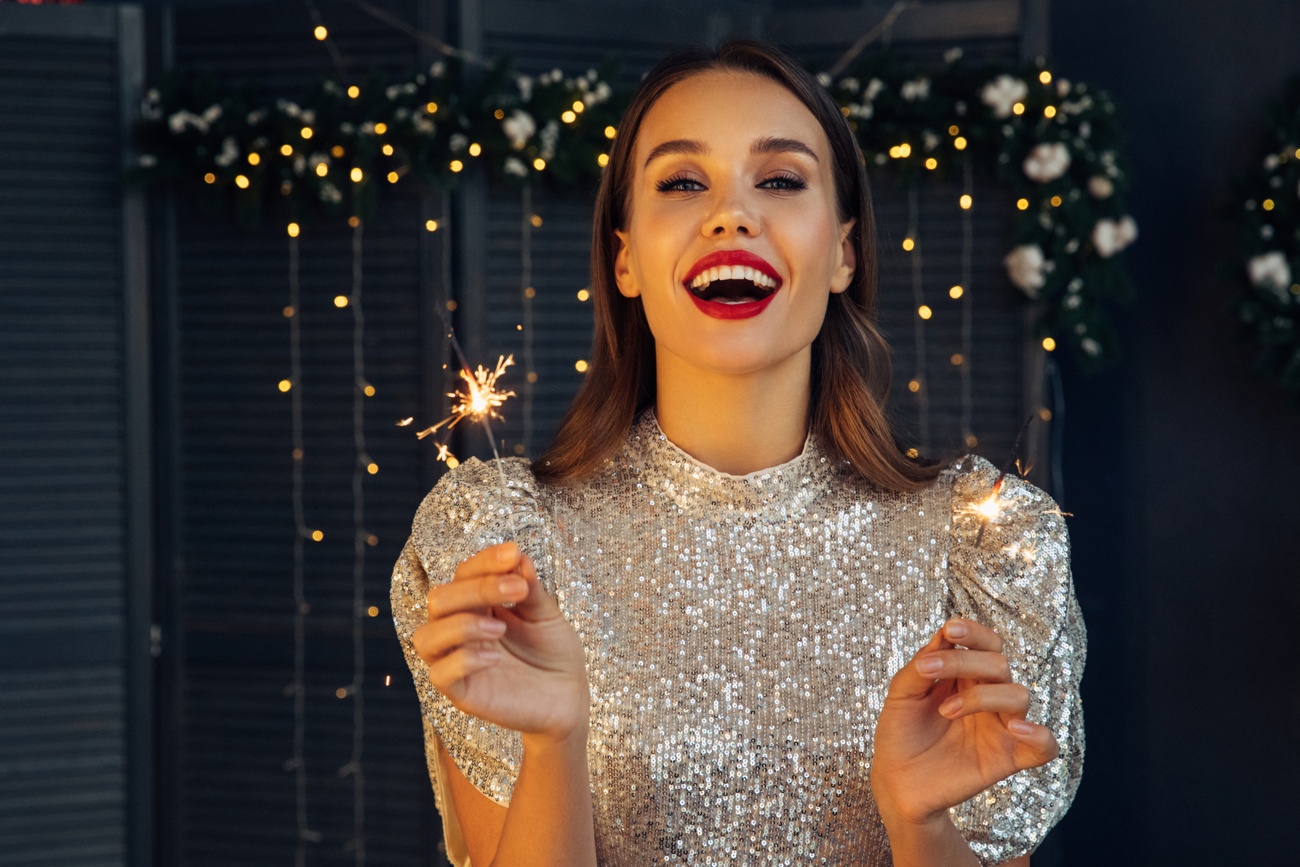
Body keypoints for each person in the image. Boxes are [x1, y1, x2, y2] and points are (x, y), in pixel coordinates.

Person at [392, 40, 1085, 867]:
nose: (732, 215)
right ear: (625, 257)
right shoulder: (501, 546)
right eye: (683, 182)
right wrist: (553, 741)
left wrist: (921, 825)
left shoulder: (984, 545)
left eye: (782, 181)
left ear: (843, 252)